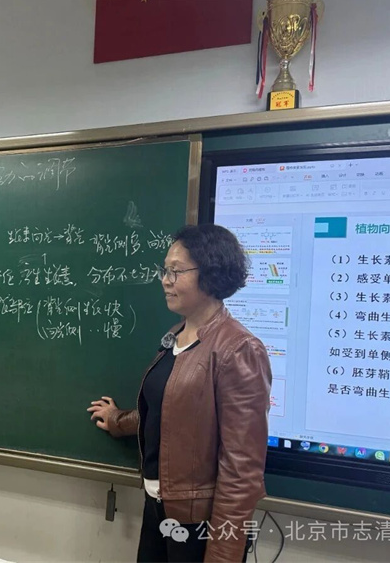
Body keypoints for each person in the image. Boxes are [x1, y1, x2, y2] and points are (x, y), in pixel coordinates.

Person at [88, 224, 272, 563]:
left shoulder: (239, 349)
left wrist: (222, 555)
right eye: (165, 270)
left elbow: (242, 470)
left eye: (176, 271)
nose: (165, 280)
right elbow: (169, 412)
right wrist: (117, 420)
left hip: (198, 523)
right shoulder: (175, 335)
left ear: (211, 274)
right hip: (158, 508)